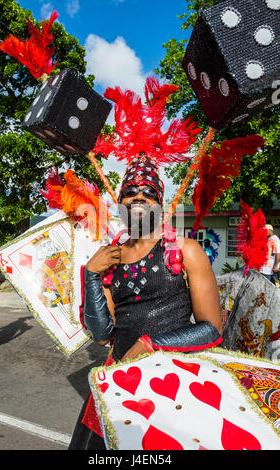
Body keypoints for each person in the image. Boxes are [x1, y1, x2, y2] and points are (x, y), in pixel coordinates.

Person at [68, 154, 223, 450]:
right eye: (129, 191)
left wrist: (154, 343)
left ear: (160, 203)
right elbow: (101, 335)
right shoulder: (109, 260)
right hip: (120, 380)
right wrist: (90, 274)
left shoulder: (183, 251)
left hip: (174, 381)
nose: (138, 196)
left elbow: (212, 329)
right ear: (120, 203)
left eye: (148, 192)